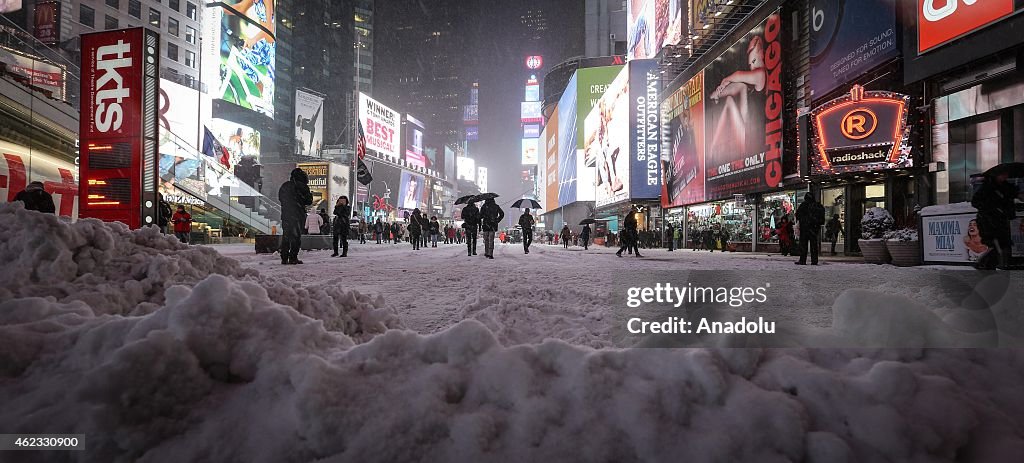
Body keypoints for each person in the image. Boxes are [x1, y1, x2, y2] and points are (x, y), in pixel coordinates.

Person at [971, 170, 1019, 269]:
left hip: (1000, 220)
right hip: (989, 220)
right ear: (996, 175)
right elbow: (975, 202)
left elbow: (1012, 195)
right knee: (998, 243)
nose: (1006, 176)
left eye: (1006, 174)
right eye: (1003, 174)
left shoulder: (1005, 187)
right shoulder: (987, 187)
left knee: (1002, 244)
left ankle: (987, 265)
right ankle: (984, 263)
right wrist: (992, 208)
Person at [278, 168, 314, 265]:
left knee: (286, 236)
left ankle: (284, 257)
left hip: (286, 215)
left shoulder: (285, 186)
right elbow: (308, 201)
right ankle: (293, 257)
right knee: (296, 237)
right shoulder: (303, 187)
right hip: (297, 215)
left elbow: (281, 199)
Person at [795, 192, 825, 265]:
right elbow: (822, 218)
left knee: (803, 245)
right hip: (814, 228)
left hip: (805, 228)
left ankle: (802, 260)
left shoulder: (804, 205)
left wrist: (804, 220)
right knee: (814, 245)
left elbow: (797, 215)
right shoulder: (818, 206)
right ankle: (814, 260)